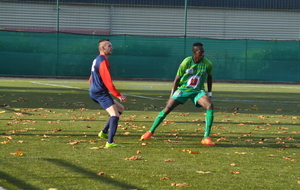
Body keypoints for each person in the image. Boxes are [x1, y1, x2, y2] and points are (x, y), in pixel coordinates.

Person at [140, 42, 215, 145]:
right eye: (200, 52)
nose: (203, 54)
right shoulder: (186, 62)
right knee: (168, 108)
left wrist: (209, 93)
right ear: (194, 53)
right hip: (183, 89)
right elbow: (176, 79)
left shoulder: (207, 63)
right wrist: (172, 96)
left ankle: (206, 137)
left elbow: (210, 77)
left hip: (197, 91)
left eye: (203, 52)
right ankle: (150, 131)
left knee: (209, 105)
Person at [89, 39, 127, 148]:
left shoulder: (98, 59)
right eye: (109, 46)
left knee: (120, 109)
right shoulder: (102, 61)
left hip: (95, 92)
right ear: (103, 48)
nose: (112, 48)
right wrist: (118, 95)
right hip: (100, 93)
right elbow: (108, 81)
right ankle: (110, 142)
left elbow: (92, 75)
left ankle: (104, 132)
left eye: (111, 46)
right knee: (114, 115)